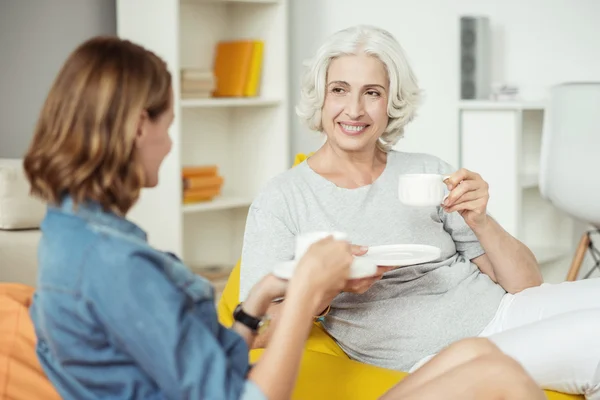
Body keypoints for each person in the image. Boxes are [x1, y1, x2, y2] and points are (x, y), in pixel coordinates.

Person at [21, 36, 546, 400]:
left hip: (476, 318)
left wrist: (256, 301)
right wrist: (305, 296)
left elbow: (196, 364)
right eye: (168, 124)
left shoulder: (74, 236)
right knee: (503, 382)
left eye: (372, 92)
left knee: (483, 356)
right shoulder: (116, 266)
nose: (169, 143)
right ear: (139, 127)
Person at [239, 24, 600, 399]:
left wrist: (481, 220)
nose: (355, 109)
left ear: (391, 101)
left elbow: (526, 286)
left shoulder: (427, 170)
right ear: (321, 96)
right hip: (433, 356)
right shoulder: (283, 198)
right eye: (339, 90)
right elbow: (257, 329)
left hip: (508, 313)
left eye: (372, 93)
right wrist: (326, 287)